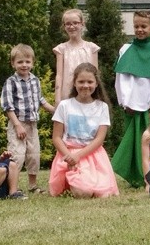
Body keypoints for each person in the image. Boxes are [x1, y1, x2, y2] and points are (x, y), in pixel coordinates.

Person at [111, 10, 150, 188]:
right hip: (133, 104)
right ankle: (136, 176)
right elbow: (121, 79)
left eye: (144, 26)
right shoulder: (126, 49)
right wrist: (125, 102)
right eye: (136, 26)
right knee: (134, 142)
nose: (140, 30)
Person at [49, 62, 119, 198]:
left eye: (89, 82)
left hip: (93, 155)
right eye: (81, 81)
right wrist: (69, 157)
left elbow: (99, 139)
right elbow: (56, 137)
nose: (85, 86)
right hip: (68, 154)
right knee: (83, 193)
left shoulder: (102, 107)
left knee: (104, 194)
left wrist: (79, 155)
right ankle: (70, 182)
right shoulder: (64, 105)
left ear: (96, 84)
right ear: (74, 83)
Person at [0, 43, 55, 194]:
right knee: (17, 155)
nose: (24, 65)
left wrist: (55, 111)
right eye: (20, 62)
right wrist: (17, 125)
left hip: (32, 124)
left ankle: (33, 185)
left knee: (34, 154)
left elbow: (41, 100)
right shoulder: (11, 82)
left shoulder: (35, 80)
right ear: (13, 63)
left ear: (32, 62)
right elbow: (7, 106)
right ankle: (13, 187)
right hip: (17, 123)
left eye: (27, 61)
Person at [53, 8, 100, 105]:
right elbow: (59, 75)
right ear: (64, 26)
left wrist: (97, 97)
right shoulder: (61, 49)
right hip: (67, 96)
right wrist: (57, 99)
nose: (72, 26)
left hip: (87, 94)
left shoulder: (92, 48)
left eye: (75, 23)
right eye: (68, 24)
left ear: (82, 24)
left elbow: (96, 74)